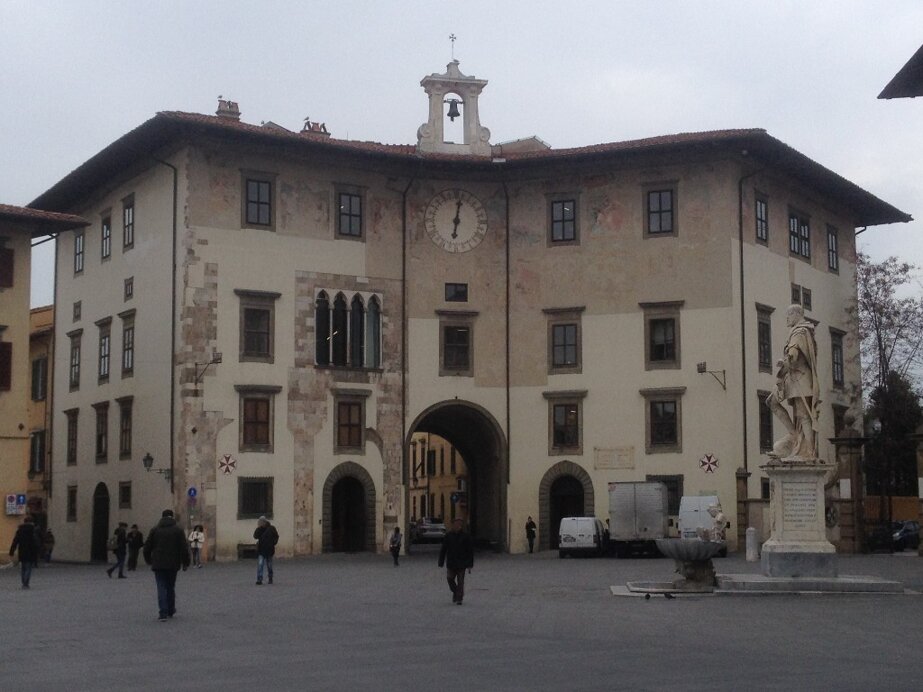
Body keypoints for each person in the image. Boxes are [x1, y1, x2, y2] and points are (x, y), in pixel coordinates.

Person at [766, 304, 820, 460]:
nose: (787, 319)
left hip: (800, 378)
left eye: (789, 315)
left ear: (797, 314)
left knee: (803, 415)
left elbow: (793, 355)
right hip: (793, 377)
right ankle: (794, 435)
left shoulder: (799, 332)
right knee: (772, 401)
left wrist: (785, 361)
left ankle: (809, 452)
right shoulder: (802, 331)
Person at [143, 509, 191, 622]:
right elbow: (184, 548)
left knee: (161, 587)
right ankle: (170, 609)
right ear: (172, 517)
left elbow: (147, 547)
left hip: (158, 563)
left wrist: (149, 560)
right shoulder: (178, 530)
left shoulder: (155, 530)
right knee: (170, 586)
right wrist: (186, 562)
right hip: (173, 563)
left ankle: (163, 612)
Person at [438, 518, 474, 605]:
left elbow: (470, 551)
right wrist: (441, 561)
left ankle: (459, 598)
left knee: (460, 581)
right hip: (451, 562)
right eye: (456, 525)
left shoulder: (466, 536)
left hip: (462, 563)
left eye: (459, 525)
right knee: (450, 579)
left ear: (461, 526)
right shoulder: (448, 536)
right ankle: (456, 591)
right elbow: (444, 549)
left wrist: (470, 564)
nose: (457, 526)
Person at [8, 516, 40, 589]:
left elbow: (15, 541)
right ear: (32, 522)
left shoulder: (20, 530)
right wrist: (38, 551)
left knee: (23, 568)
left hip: (22, 551)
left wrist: (11, 551)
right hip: (31, 551)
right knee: (28, 568)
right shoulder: (33, 530)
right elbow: (36, 542)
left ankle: (23, 582)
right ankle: (26, 583)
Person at [253, 516, 278, 585]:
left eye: (261, 522)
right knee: (260, 564)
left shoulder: (272, 528)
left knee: (269, 565)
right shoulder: (259, 529)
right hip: (261, 550)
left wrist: (273, 543)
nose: (260, 523)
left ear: (264, 522)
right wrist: (258, 528)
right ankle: (259, 579)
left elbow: (276, 536)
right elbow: (255, 536)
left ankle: (270, 577)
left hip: (269, 550)